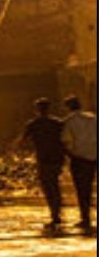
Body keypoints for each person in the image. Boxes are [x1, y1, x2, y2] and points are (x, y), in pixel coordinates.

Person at [20, 97, 66, 230]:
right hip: (57, 158)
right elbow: (65, 140)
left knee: (47, 186)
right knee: (55, 185)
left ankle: (54, 214)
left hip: (43, 159)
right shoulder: (58, 123)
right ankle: (57, 212)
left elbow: (21, 141)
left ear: (36, 110)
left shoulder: (33, 124)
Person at [61, 95, 96, 233]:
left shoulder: (68, 121)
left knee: (83, 190)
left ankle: (86, 218)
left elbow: (65, 141)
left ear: (68, 107)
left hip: (80, 158)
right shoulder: (93, 118)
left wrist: (70, 156)